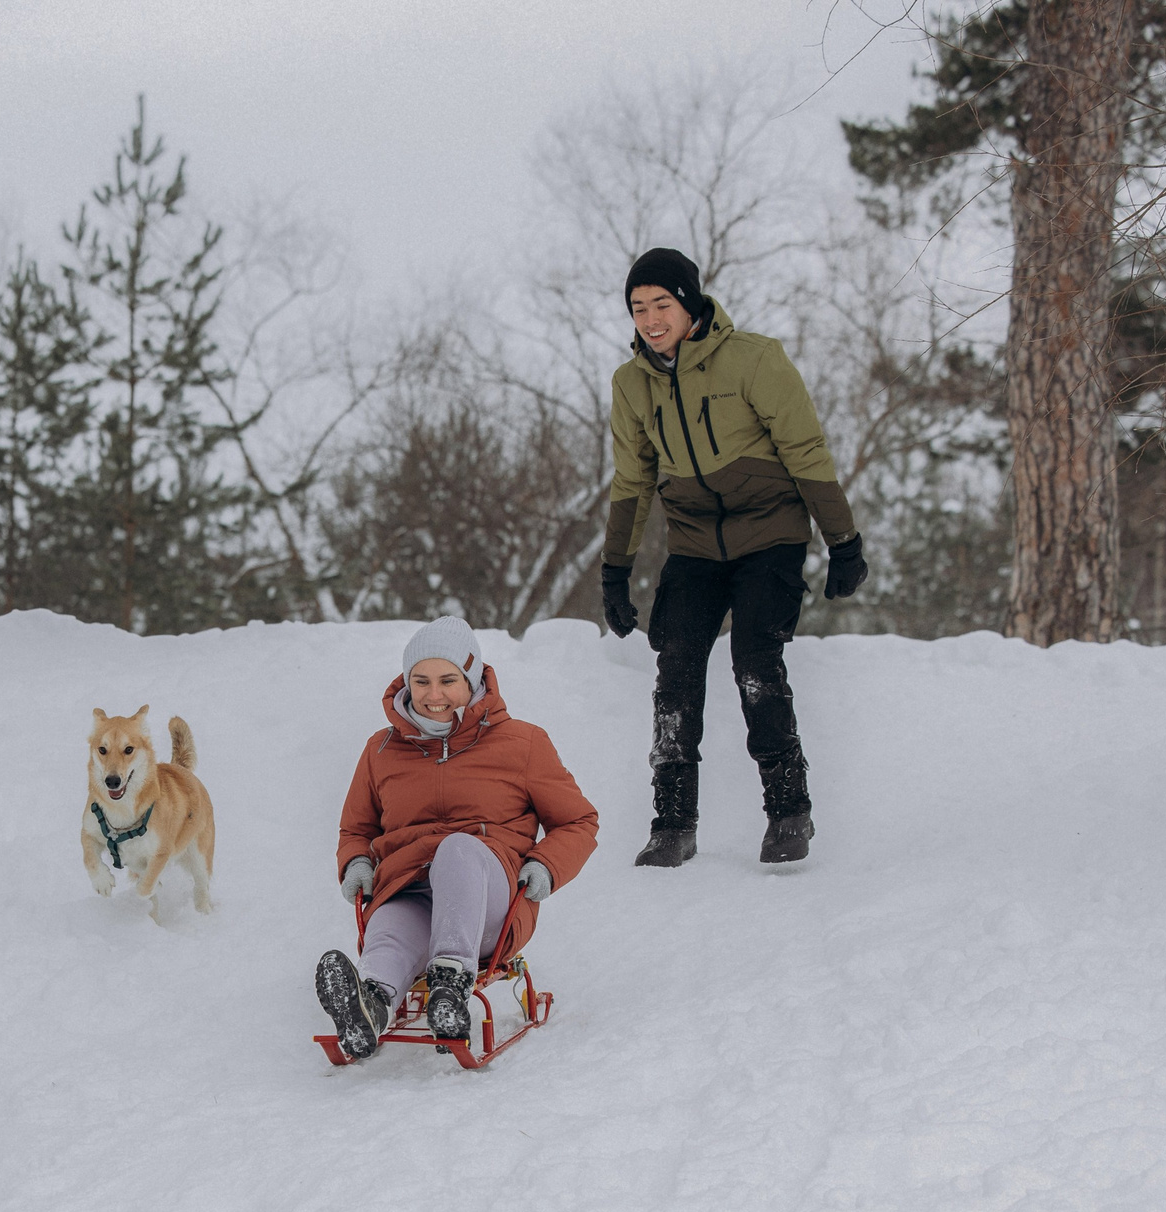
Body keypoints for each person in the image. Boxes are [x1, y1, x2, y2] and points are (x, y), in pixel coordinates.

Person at [597, 246, 867, 867]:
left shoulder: (755, 360)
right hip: (694, 544)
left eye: (661, 304)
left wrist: (842, 540)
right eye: (638, 308)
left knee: (755, 658)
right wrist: (615, 571)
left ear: (690, 304)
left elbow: (806, 452)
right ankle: (672, 822)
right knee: (677, 667)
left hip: (769, 535)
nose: (650, 318)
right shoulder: (631, 385)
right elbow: (631, 483)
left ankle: (788, 809)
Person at [315, 617, 599, 1062]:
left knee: (458, 849)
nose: (433, 696)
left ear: (472, 680)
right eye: (421, 681)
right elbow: (357, 829)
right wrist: (356, 862)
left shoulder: (522, 742)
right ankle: (370, 1004)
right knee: (388, 928)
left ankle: (450, 985)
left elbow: (578, 821)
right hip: (409, 887)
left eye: (448, 680)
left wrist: (546, 865)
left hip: (488, 901)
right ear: (405, 683)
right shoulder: (381, 749)